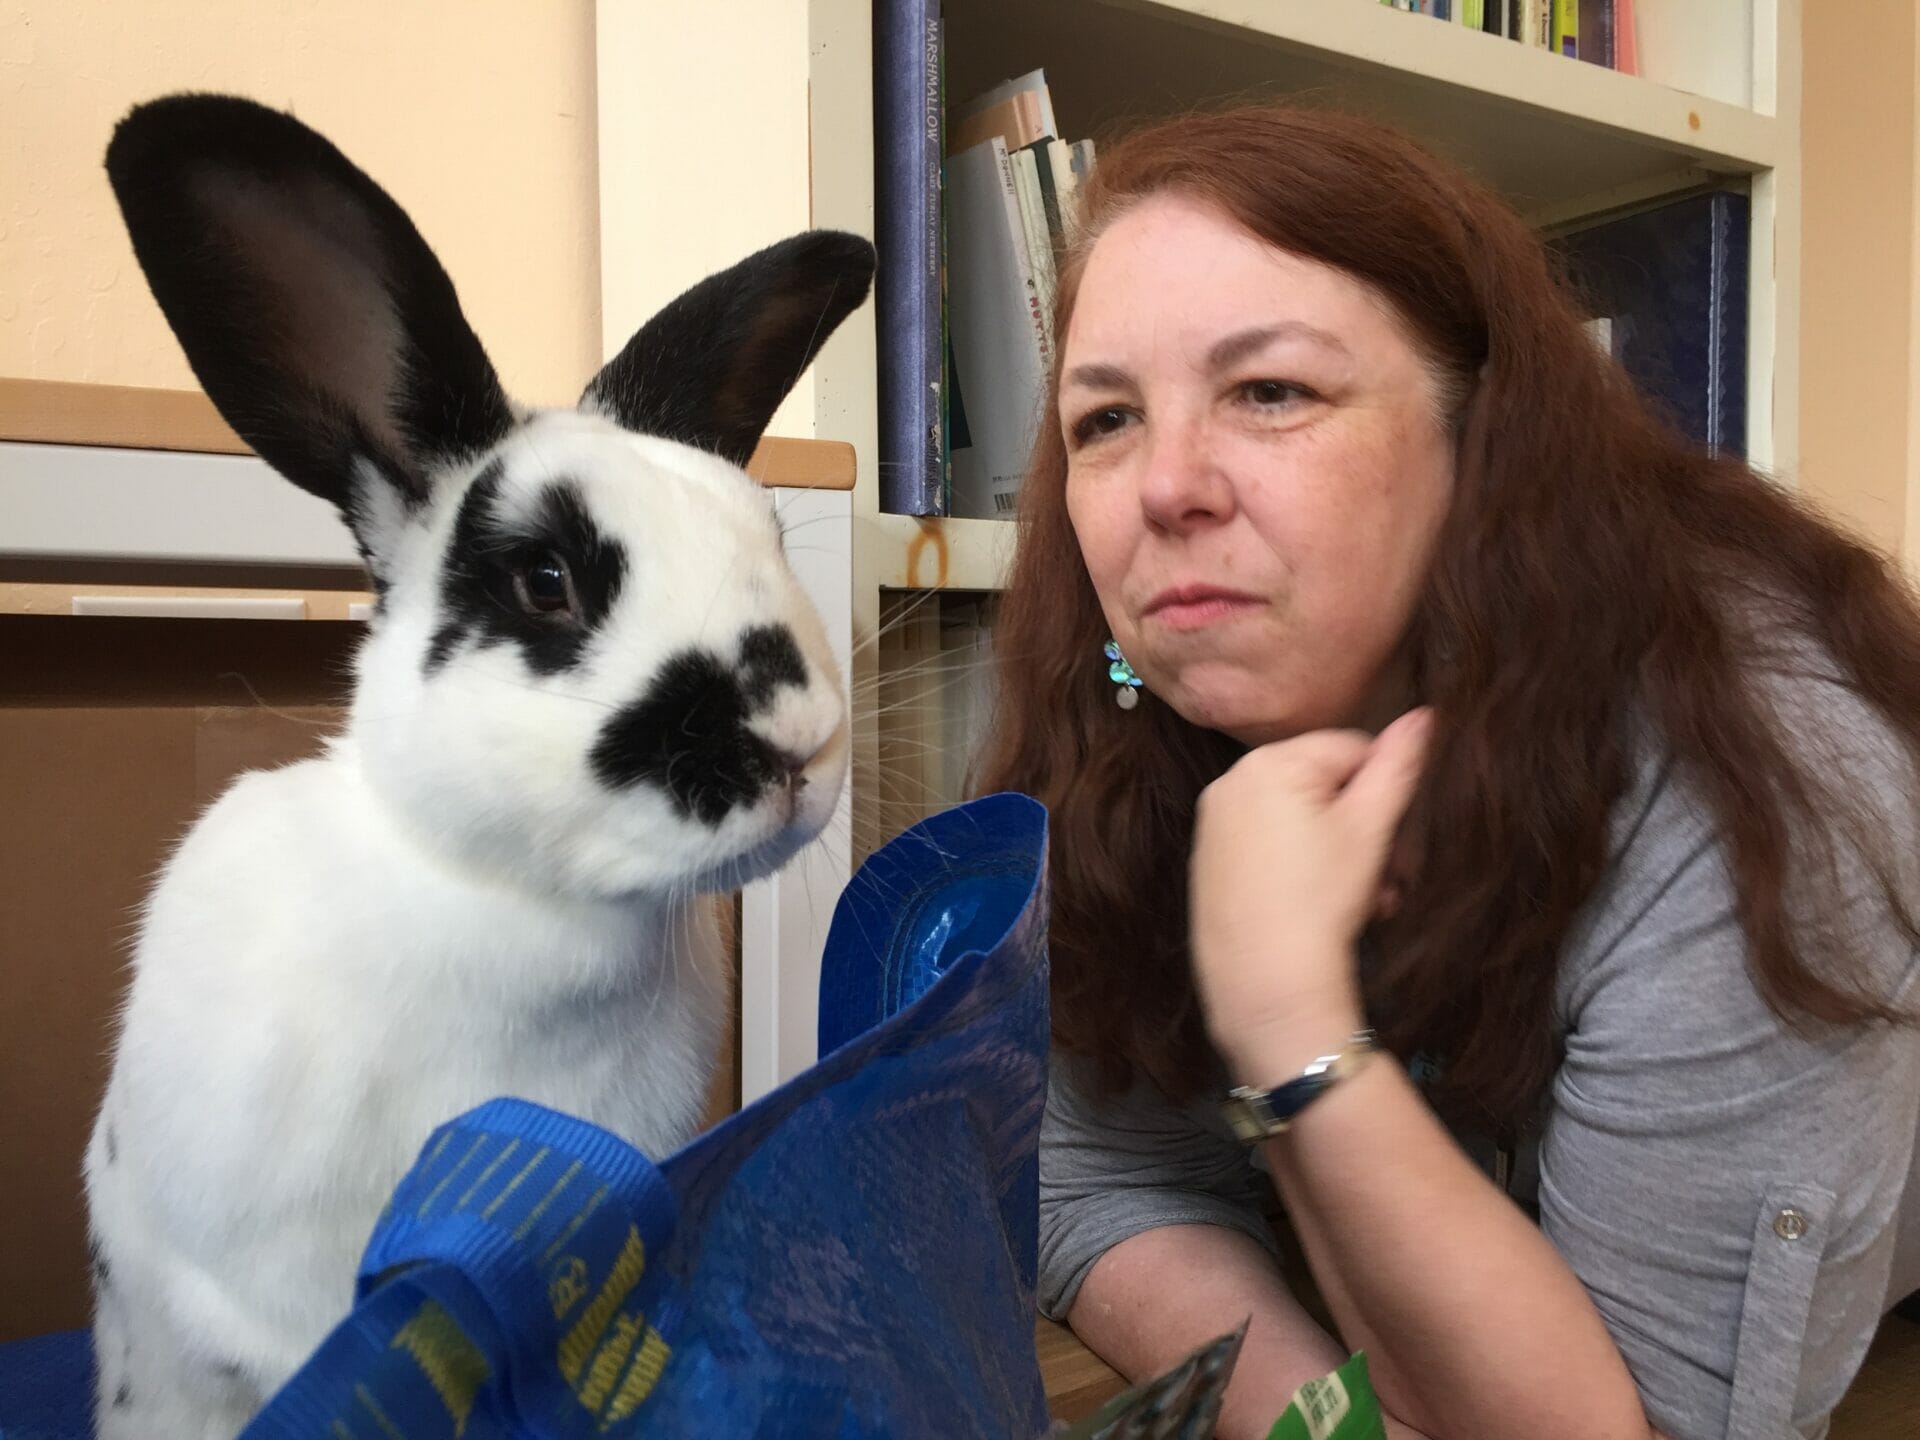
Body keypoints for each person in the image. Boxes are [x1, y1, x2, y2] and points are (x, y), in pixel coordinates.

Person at [977, 105, 1920, 1440]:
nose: (1165, 485)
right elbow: (1087, 1175)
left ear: (1486, 445)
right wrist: (1330, 1426)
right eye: (1106, 417)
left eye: (1271, 392)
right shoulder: (1135, 709)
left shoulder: (1760, 766)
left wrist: (1286, 1019)